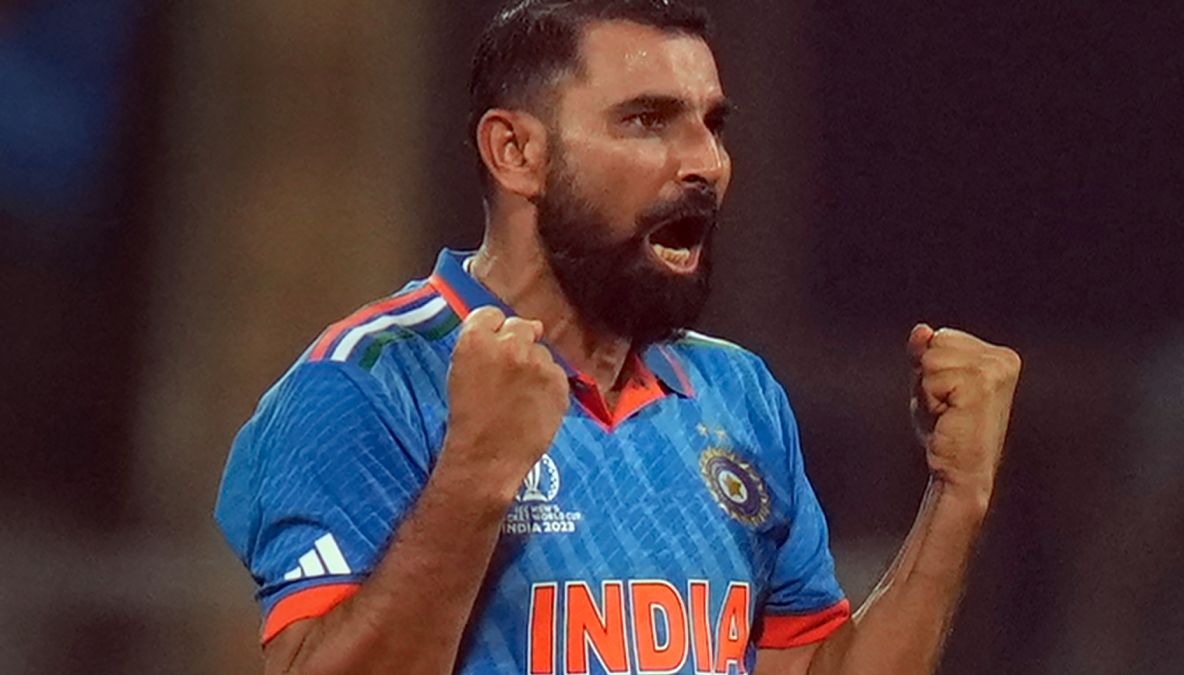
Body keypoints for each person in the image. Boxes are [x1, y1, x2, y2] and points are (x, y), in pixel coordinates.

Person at [214, 1, 1022, 673]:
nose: (706, 162)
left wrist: (956, 499)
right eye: (647, 121)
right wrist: (474, 475)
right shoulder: (364, 384)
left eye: (712, 125)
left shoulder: (737, 395)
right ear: (516, 152)